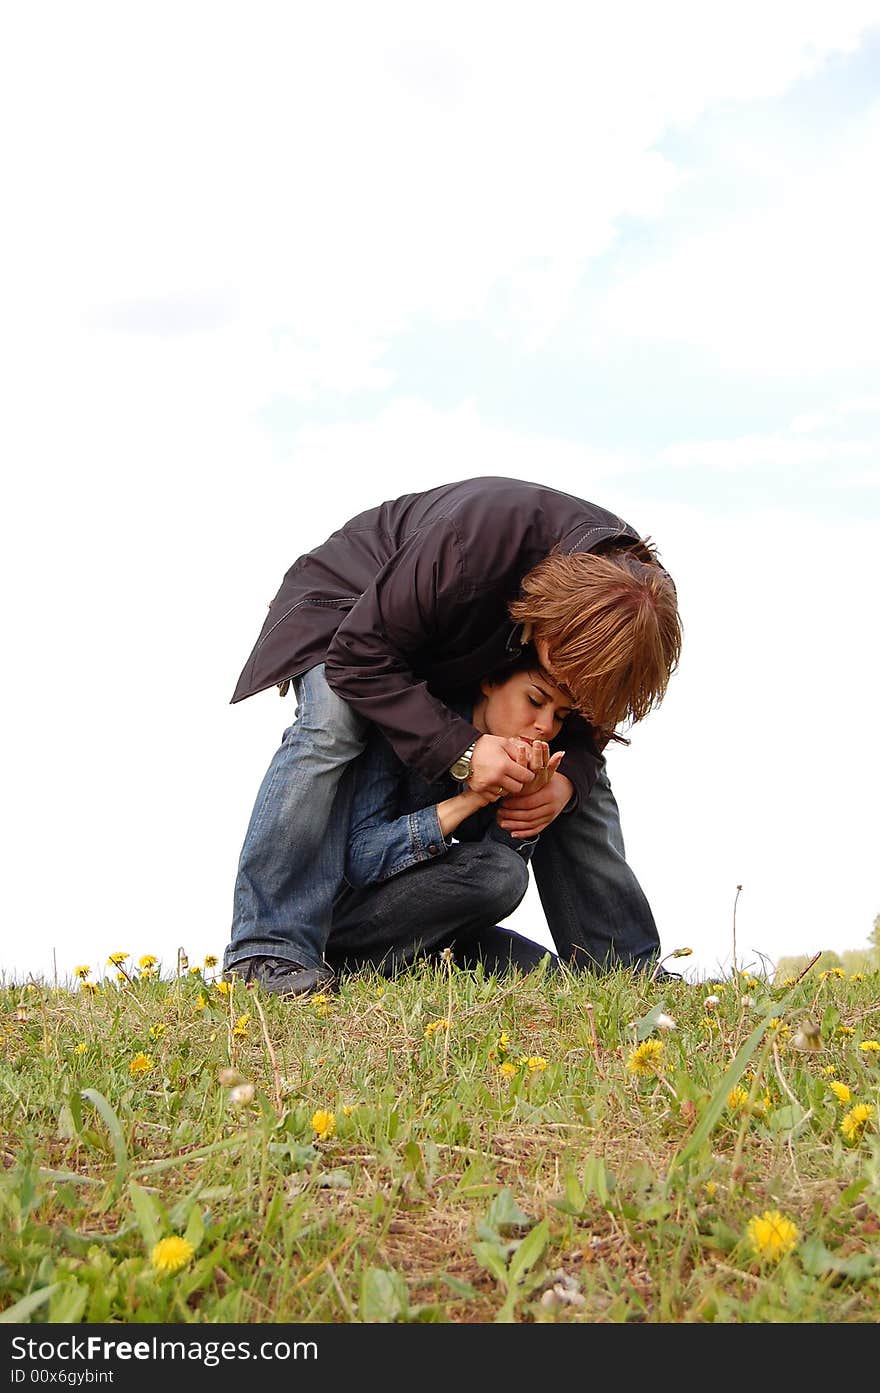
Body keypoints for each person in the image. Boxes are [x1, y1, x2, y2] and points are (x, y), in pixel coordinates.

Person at [223, 476, 682, 996]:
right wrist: (465, 753)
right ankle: (267, 952)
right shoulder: (473, 542)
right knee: (332, 724)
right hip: (349, 609)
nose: (570, 693)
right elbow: (359, 655)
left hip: (454, 639)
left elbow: (590, 707)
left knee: (572, 780)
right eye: (566, 670)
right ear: (551, 623)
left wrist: (566, 783)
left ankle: (628, 971)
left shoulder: (637, 604)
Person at [324, 647, 570, 979]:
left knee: (550, 976)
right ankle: (338, 968)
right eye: (535, 701)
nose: (545, 726)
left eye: (559, 716)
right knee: (503, 873)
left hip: (434, 929)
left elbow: (487, 889)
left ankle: (405, 970)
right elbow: (361, 859)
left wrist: (522, 800)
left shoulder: (513, 757)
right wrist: (470, 800)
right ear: (490, 681)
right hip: (347, 919)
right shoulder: (413, 726)